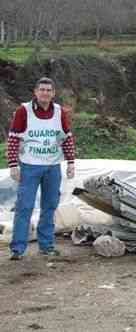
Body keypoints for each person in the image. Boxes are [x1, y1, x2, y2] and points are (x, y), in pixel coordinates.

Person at [6, 77, 75, 260]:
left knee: (50, 206)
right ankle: (17, 249)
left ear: (53, 93)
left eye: (48, 90)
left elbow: (66, 138)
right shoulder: (24, 111)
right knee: (24, 207)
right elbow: (13, 138)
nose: (45, 93)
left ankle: (46, 245)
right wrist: (13, 165)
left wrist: (71, 162)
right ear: (35, 92)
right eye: (42, 89)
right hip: (30, 167)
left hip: (52, 167)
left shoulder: (60, 112)